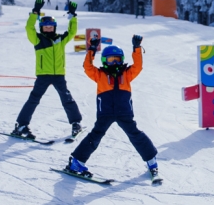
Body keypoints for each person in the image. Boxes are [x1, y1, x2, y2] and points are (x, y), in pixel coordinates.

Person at [64, 35, 160, 183]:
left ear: (121, 60)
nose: (114, 62)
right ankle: (77, 161)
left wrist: (136, 48)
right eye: (110, 59)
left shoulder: (127, 74)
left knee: (135, 135)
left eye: (117, 59)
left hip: (124, 113)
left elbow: (138, 66)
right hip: (106, 113)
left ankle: (151, 160)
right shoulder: (100, 75)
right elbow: (87, 67)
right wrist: (92, 49)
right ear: (104, 61)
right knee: (95, 136)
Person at [11, 0, 82, 139]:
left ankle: (76, 122)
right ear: (42, 27)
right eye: (45, 26)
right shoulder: (37, 39)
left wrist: (73, 16)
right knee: (34, 99)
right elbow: (29, 28)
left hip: (59, 75)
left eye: (50, 26)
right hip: (43, 75)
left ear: (54, 27)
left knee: (67, 98)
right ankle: (21, 125)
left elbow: (72, 31)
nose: (48, 28)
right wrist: (35, 12)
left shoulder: (61, 39)